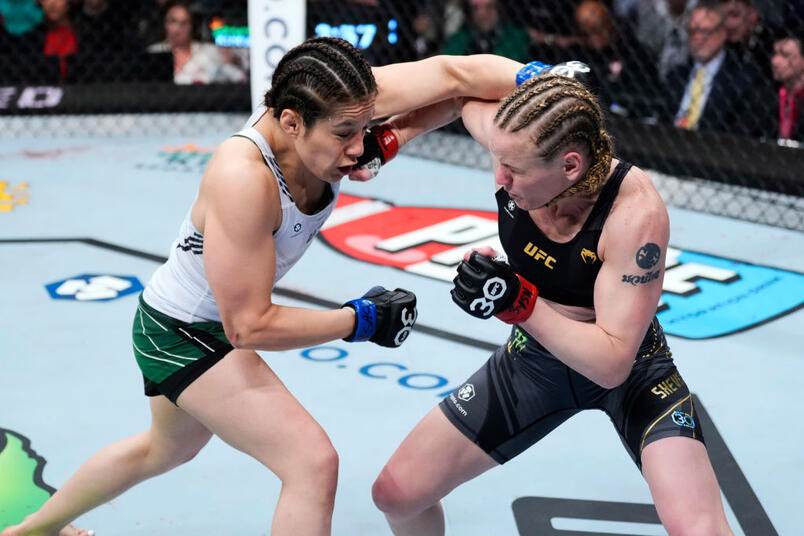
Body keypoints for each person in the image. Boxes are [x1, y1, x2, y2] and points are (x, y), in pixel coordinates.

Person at [0, 37, 526, 536]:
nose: (357, 144)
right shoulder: (244, 178)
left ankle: (32, 530)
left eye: (365, 127)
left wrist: (538, 81)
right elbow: (248, 325)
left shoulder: (336, 98)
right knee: (311, 463)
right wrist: (360, 319)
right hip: (184, 331)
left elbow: (454, 79)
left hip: (192, 322)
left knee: (162, 451)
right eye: (345, 134)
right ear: (292, 124)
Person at [369, 65, 734, 535]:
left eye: (514, 169)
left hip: (632, 369)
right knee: (396, 494)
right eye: (498, 160)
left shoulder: (634, 215)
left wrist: (518, 302)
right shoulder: (520, 139)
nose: (499, 179)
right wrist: (393, 139)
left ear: (569, 166)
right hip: (535, 361)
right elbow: (459, 93)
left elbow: (610, 364)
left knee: (699, 529)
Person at [146, 0, 245, 85]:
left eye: (184, 23)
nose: (177, 29)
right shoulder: (153, 52)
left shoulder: (209, 51)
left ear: (192, 27)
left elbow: (237, 76)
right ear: (165, 24)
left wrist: (232, 60)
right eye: (173, 21)